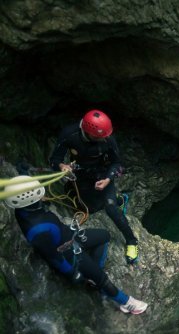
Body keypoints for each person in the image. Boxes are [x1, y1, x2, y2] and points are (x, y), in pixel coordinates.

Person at [3, 175, 148, 314]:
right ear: (29, 200)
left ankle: (94, 272)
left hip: (71, 237)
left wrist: (41, 201)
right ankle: (127, 303)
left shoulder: (23, 210)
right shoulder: (37, 231)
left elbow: (40, 214)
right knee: (102, 280)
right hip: (69, 254)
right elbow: (53, 257)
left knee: (104, 235)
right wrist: (71, 272)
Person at [49, 109, 139, 264]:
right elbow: (54, 159)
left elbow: (117, 164)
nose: (104, 138)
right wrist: (62, 166)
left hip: (102, 174)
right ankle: (119, 199)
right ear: (88, 131)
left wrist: (108, 179)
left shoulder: (108, 139)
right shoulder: (69, 135)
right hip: (81, 176)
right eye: (100, 136)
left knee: (109, 207)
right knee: (90, 209)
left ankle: (131, 241)